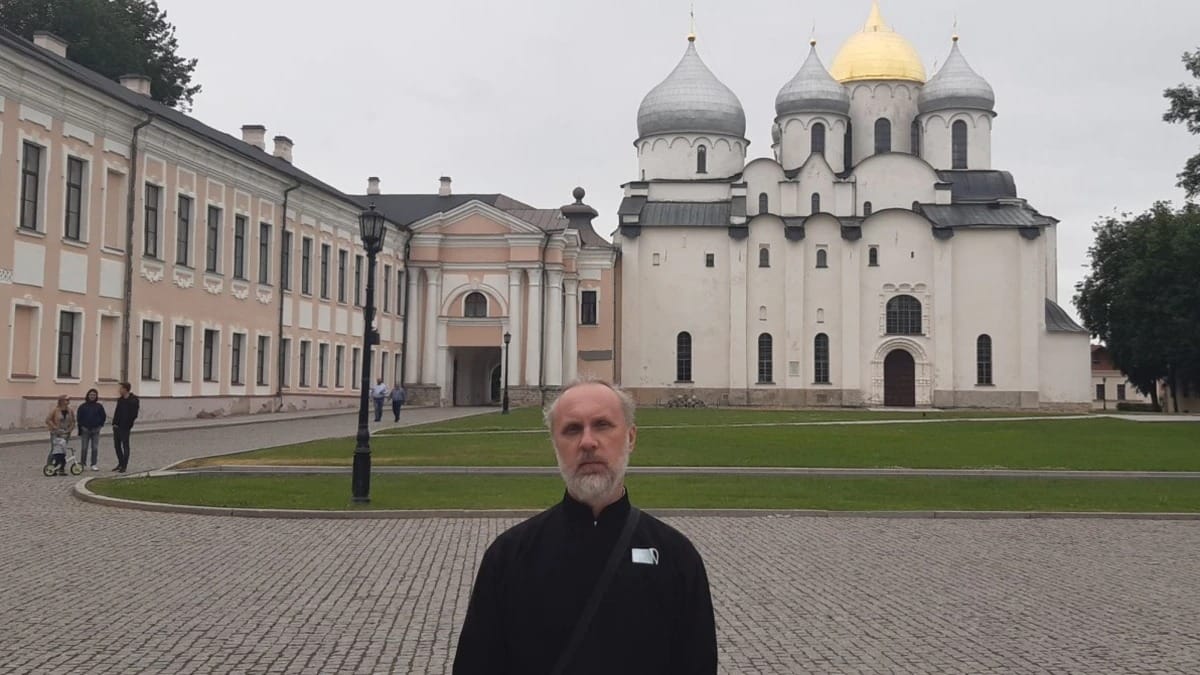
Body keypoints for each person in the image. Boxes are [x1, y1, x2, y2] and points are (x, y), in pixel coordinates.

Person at [453, 378, 717, 675]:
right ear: (555, 444)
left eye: (602, 425)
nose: (588, 442)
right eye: (572, 429)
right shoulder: (508, 557)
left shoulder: (676, 557)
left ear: (631, 437)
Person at [111, 382, 139, 473]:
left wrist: (128, 424)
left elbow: (134, 414)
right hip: (117, 426)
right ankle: (120, 463)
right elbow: (117, 412)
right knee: (117, 446)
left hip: (125, 427)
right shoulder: (120, 400)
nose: (119, 390)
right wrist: (114, 423)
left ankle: (124, 465)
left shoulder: (133, 400)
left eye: (121, 388)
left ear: (125, 389)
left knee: (125, 446)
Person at [76, 388, 106, 471]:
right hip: (85, 430)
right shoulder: (83, 406)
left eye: (94, 395)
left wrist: (100, 426)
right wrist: (82, 427)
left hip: (96, 430)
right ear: (88, 395)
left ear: (96, 396)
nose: (92, 396)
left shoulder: (99, 406)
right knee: (84, 448)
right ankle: (82, 463)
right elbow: (79, 418)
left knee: (95, 448)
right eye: (91, 395)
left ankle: (94, 464)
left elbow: (103, 417)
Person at [44, 395, 76, 476]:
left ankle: (61, 468)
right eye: (66, 400)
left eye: (69, 400)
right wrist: (55, 428)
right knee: (54, 450)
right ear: (61, 401)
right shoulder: (55, 410)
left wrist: (70, 429)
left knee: (63, 451)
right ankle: (49, 467)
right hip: (56, 433)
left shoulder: (70, 410)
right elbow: (48, 420)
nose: (68, 401)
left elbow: (73, 421)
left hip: (66, 433)